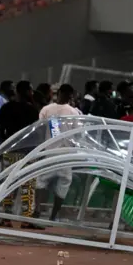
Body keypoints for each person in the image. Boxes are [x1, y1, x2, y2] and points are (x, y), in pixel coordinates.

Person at [34, 84, 80, 222]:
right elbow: (77, 134)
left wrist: (40, 149)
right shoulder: (73, 112)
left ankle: (37, 211)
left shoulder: (47, 110)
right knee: (62, 184)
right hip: (65, 154)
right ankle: (52, 216)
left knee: (42, 182)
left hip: (49, 152)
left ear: (57, 93)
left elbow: (40, 130)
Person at [0, 81, 40, 228]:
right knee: (27, 185)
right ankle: (26, 218)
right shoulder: (33, 110)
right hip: (28, 152)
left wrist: (4, 146)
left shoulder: (6, 107)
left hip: (10, 151)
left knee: (8, 184)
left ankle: (5, 217)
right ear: (28, 91)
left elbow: (0, 130)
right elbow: (37, 133)